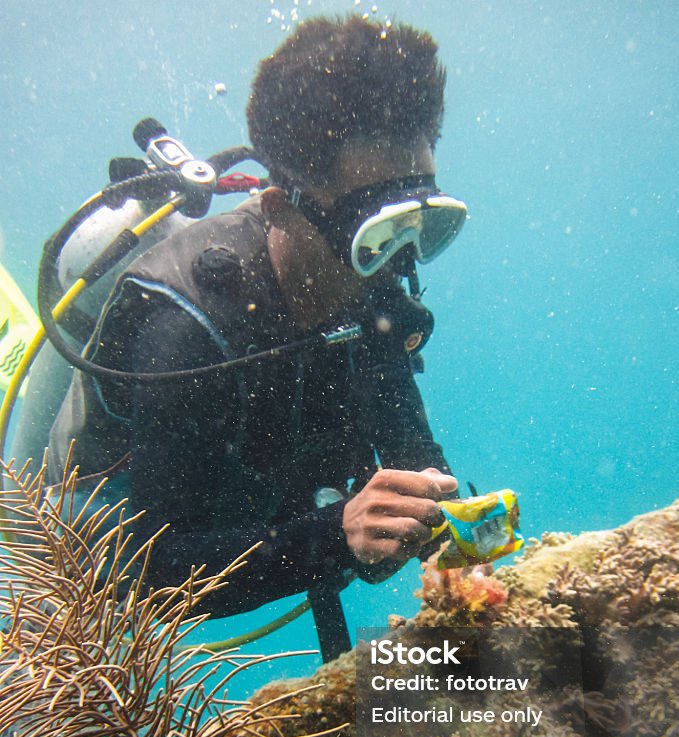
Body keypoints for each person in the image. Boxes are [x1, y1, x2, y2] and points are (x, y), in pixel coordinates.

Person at [47, 15, 465, 657]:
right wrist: (335, 536)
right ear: (277, 209)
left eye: (418, 225)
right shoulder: (183, 328)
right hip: (125, 517)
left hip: (266, 493)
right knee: (62, 557)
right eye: (373, 235)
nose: (396, 261)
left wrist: (442, 515)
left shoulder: (366, 281)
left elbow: (409, 442)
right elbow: (155, 575)